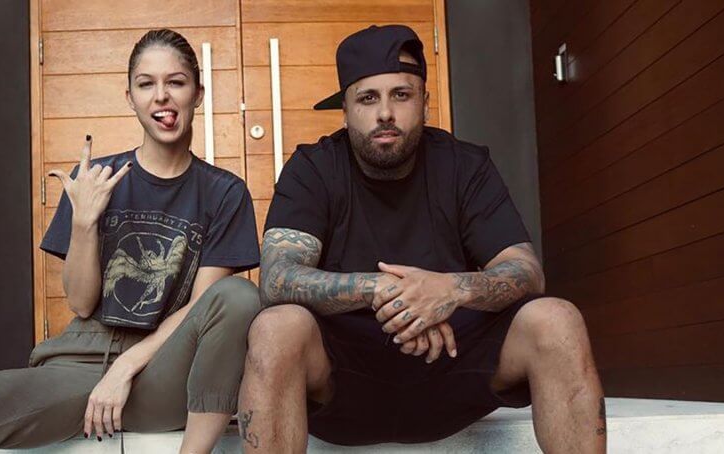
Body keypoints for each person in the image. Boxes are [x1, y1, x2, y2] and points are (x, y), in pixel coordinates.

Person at [0, 29, 261, 454]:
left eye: (176, 82)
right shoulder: (93, 180)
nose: (161, 96)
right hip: (79, 363)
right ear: (130, 97)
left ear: (198, 94)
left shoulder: (224, 192)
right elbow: (81, 304)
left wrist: (125, 368)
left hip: (163, 372)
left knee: (239, 294)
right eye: (146, 84)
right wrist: (83, 222)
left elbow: (206, 306)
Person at [237, 25, 605, 453]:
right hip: (345, 380)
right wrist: (386, 291)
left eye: (401, 95)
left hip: (452, 368)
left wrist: (449, 290)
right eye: (368, 98)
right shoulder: (313, 168)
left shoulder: (465, 165)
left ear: (425, 103)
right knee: (275, 328)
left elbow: (525, 270)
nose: (385, 113)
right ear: (345, 111)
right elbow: (277, 278)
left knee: (557, 318)